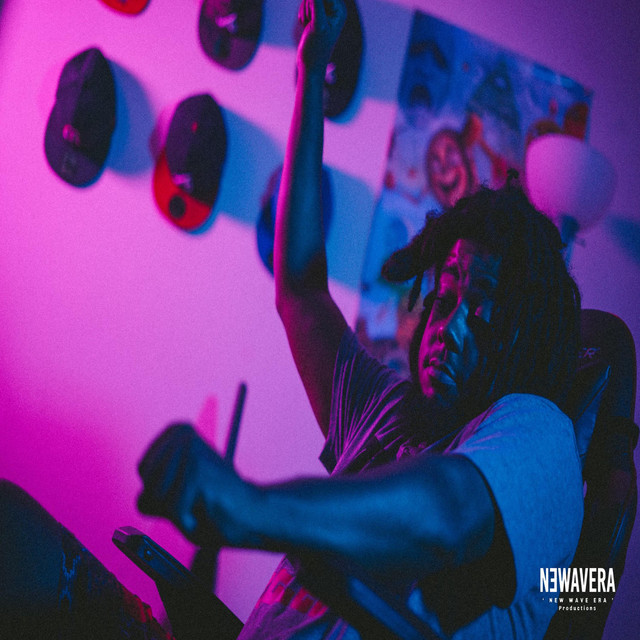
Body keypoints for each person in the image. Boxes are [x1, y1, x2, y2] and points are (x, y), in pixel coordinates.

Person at [1, 1, 583, 639]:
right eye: (444, 299)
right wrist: (310, 74)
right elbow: (302, 289)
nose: (451, 325)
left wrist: (248, 507)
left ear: (527, 337)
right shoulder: (390, 412)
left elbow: (452, 512)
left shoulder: (541, 435)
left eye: (482, 310)